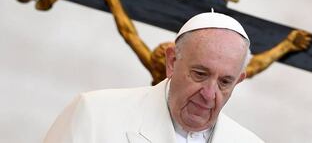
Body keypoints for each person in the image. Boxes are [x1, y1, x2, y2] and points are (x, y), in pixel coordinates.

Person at [44, 11, 264, 142]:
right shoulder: (95, 113)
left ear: (239, 80)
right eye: (199, 74)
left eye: (225, 82)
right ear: (172, 62)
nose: (209, 94)